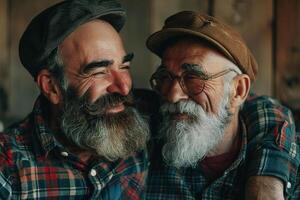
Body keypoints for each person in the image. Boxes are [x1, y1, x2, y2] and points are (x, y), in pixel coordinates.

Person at [0, 0, 150, 199]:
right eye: (99, 71)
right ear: (52, 86)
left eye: (124, 67)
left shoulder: (142, 127)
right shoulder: (7, 167)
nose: (123, 87)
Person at [145, 11, 300, 199]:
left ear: (238, 91)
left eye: (193, 78)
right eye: (164, 77)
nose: (173, 95)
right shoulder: (141, 150)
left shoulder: (290, 168)